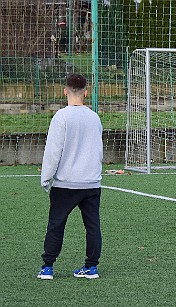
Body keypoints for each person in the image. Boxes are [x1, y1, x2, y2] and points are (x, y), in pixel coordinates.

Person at [37, 74, 103, 280]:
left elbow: (53, 151)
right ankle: (91, 267)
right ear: (86, 92)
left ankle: (47, 267)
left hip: (65, 184)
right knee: (93, 226)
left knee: (56, 224)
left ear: (65, 91)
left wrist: (46, 178)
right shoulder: (94, 117)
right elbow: (98, 150)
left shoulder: (61, 116)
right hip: (91, 183)